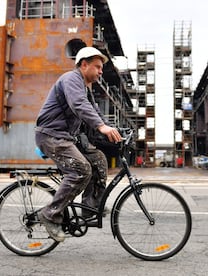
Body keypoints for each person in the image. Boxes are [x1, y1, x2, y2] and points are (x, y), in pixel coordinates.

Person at [35, 46, 122, 242]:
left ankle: (90, 208)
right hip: (51, 135)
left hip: (65, 138)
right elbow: (79, 105)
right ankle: (50, 214)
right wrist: (101, 127)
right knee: (81, 169)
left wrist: (114, 130)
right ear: (84, 65)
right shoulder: (71, 79)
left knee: (98, 159)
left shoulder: (85, 87)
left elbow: (94, 111)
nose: (101, 71)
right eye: (98, 67)